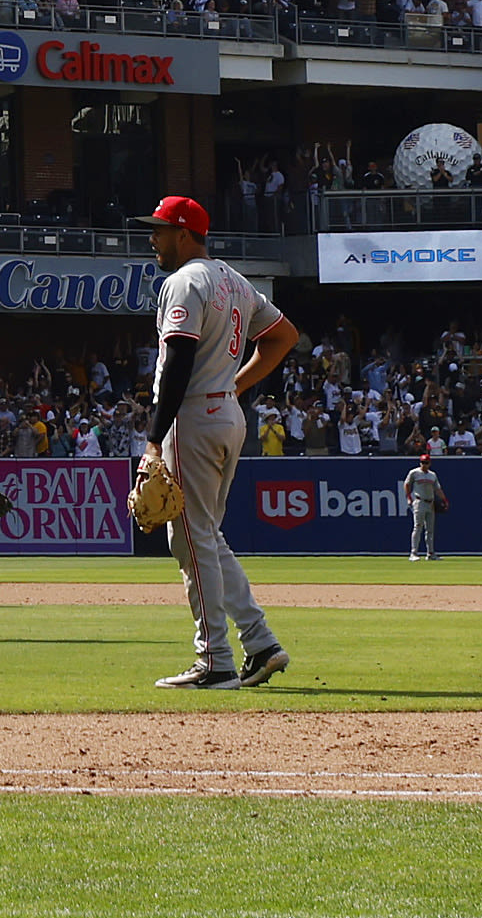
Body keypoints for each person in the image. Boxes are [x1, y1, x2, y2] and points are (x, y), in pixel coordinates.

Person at [136, 193, 298, 689]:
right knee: (204, 535)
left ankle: (215, 660)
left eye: (161, 229)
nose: (153, 238)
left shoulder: (184, 281)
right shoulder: (234, 279)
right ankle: (260, 641)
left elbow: (179, 363)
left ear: (184, 233)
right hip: (226, 413)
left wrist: (151, 442)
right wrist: (237, 387)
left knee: (188, 538)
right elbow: (283, 336)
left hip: (193, 418)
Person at [399, 442, 448, 564]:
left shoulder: (432, 475)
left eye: (426, 462)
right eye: (422, 462)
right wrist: (409, 497)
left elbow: (437, 489)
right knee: (418, 527)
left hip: (430, 502)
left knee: (430, 529)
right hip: (419, 501)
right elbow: (406, 484)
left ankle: (430, 553)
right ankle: (413, 553)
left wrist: (444, 500)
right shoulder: (414, 472)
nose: (424, 464)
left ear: (429, 463)